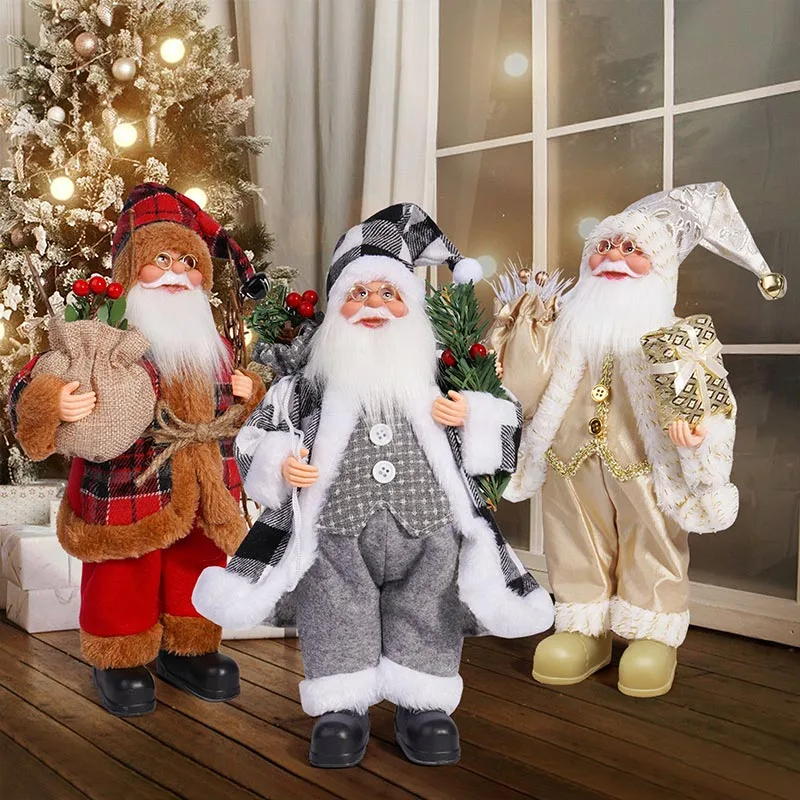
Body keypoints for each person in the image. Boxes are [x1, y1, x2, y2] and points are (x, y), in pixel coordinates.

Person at [193, 203, 554, 767]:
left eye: (389, 293)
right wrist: (281, 461)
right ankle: (341, 706)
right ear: (336, 309)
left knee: (430, 606)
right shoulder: (305, 388)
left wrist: (474, 415)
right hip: (334, 535)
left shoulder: (444, 374)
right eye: (358, 294)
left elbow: (507, 427)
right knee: (334, 608)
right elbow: (253, 439)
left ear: (412, 306)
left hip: (431, 529)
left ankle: (423, 704)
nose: (374, 305)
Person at [495, 182, 785, 697]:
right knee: (573, 536)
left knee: (652, 535)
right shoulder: (566, 331)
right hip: (570, 459)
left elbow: (712, 403)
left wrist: (699, 439)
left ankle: (653, 628)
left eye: (632, 249)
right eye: (604, 246)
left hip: (645, 462)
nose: (613, 257)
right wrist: (516, 337)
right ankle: (583, 626)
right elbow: (528, 384)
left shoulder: (679, 340)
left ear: (662, 266)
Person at [8, 183, 266, 716]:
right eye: (161, 260)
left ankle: (190, 647)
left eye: (189, 263)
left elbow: (235, 403)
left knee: (199, 561)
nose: (176, 274)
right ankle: (119, 653)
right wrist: (53, 401)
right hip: (130, 482)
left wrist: (250, 393)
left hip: (205, 481)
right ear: (130, 269)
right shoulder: (105, 332)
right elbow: (33, 377)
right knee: (125, 567)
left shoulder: (214, 342)